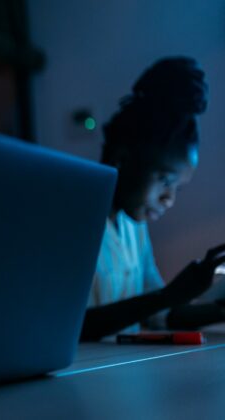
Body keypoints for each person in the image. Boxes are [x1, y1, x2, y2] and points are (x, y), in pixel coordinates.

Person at [81, 57, 225, 341]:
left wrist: (219, 309)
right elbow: (75, 326)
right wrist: (168, 295)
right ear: (122, 159)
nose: (169, 198)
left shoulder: (134, 227)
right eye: (165, 181)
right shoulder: (74, 224)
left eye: (177, 189)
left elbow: (157, 313)